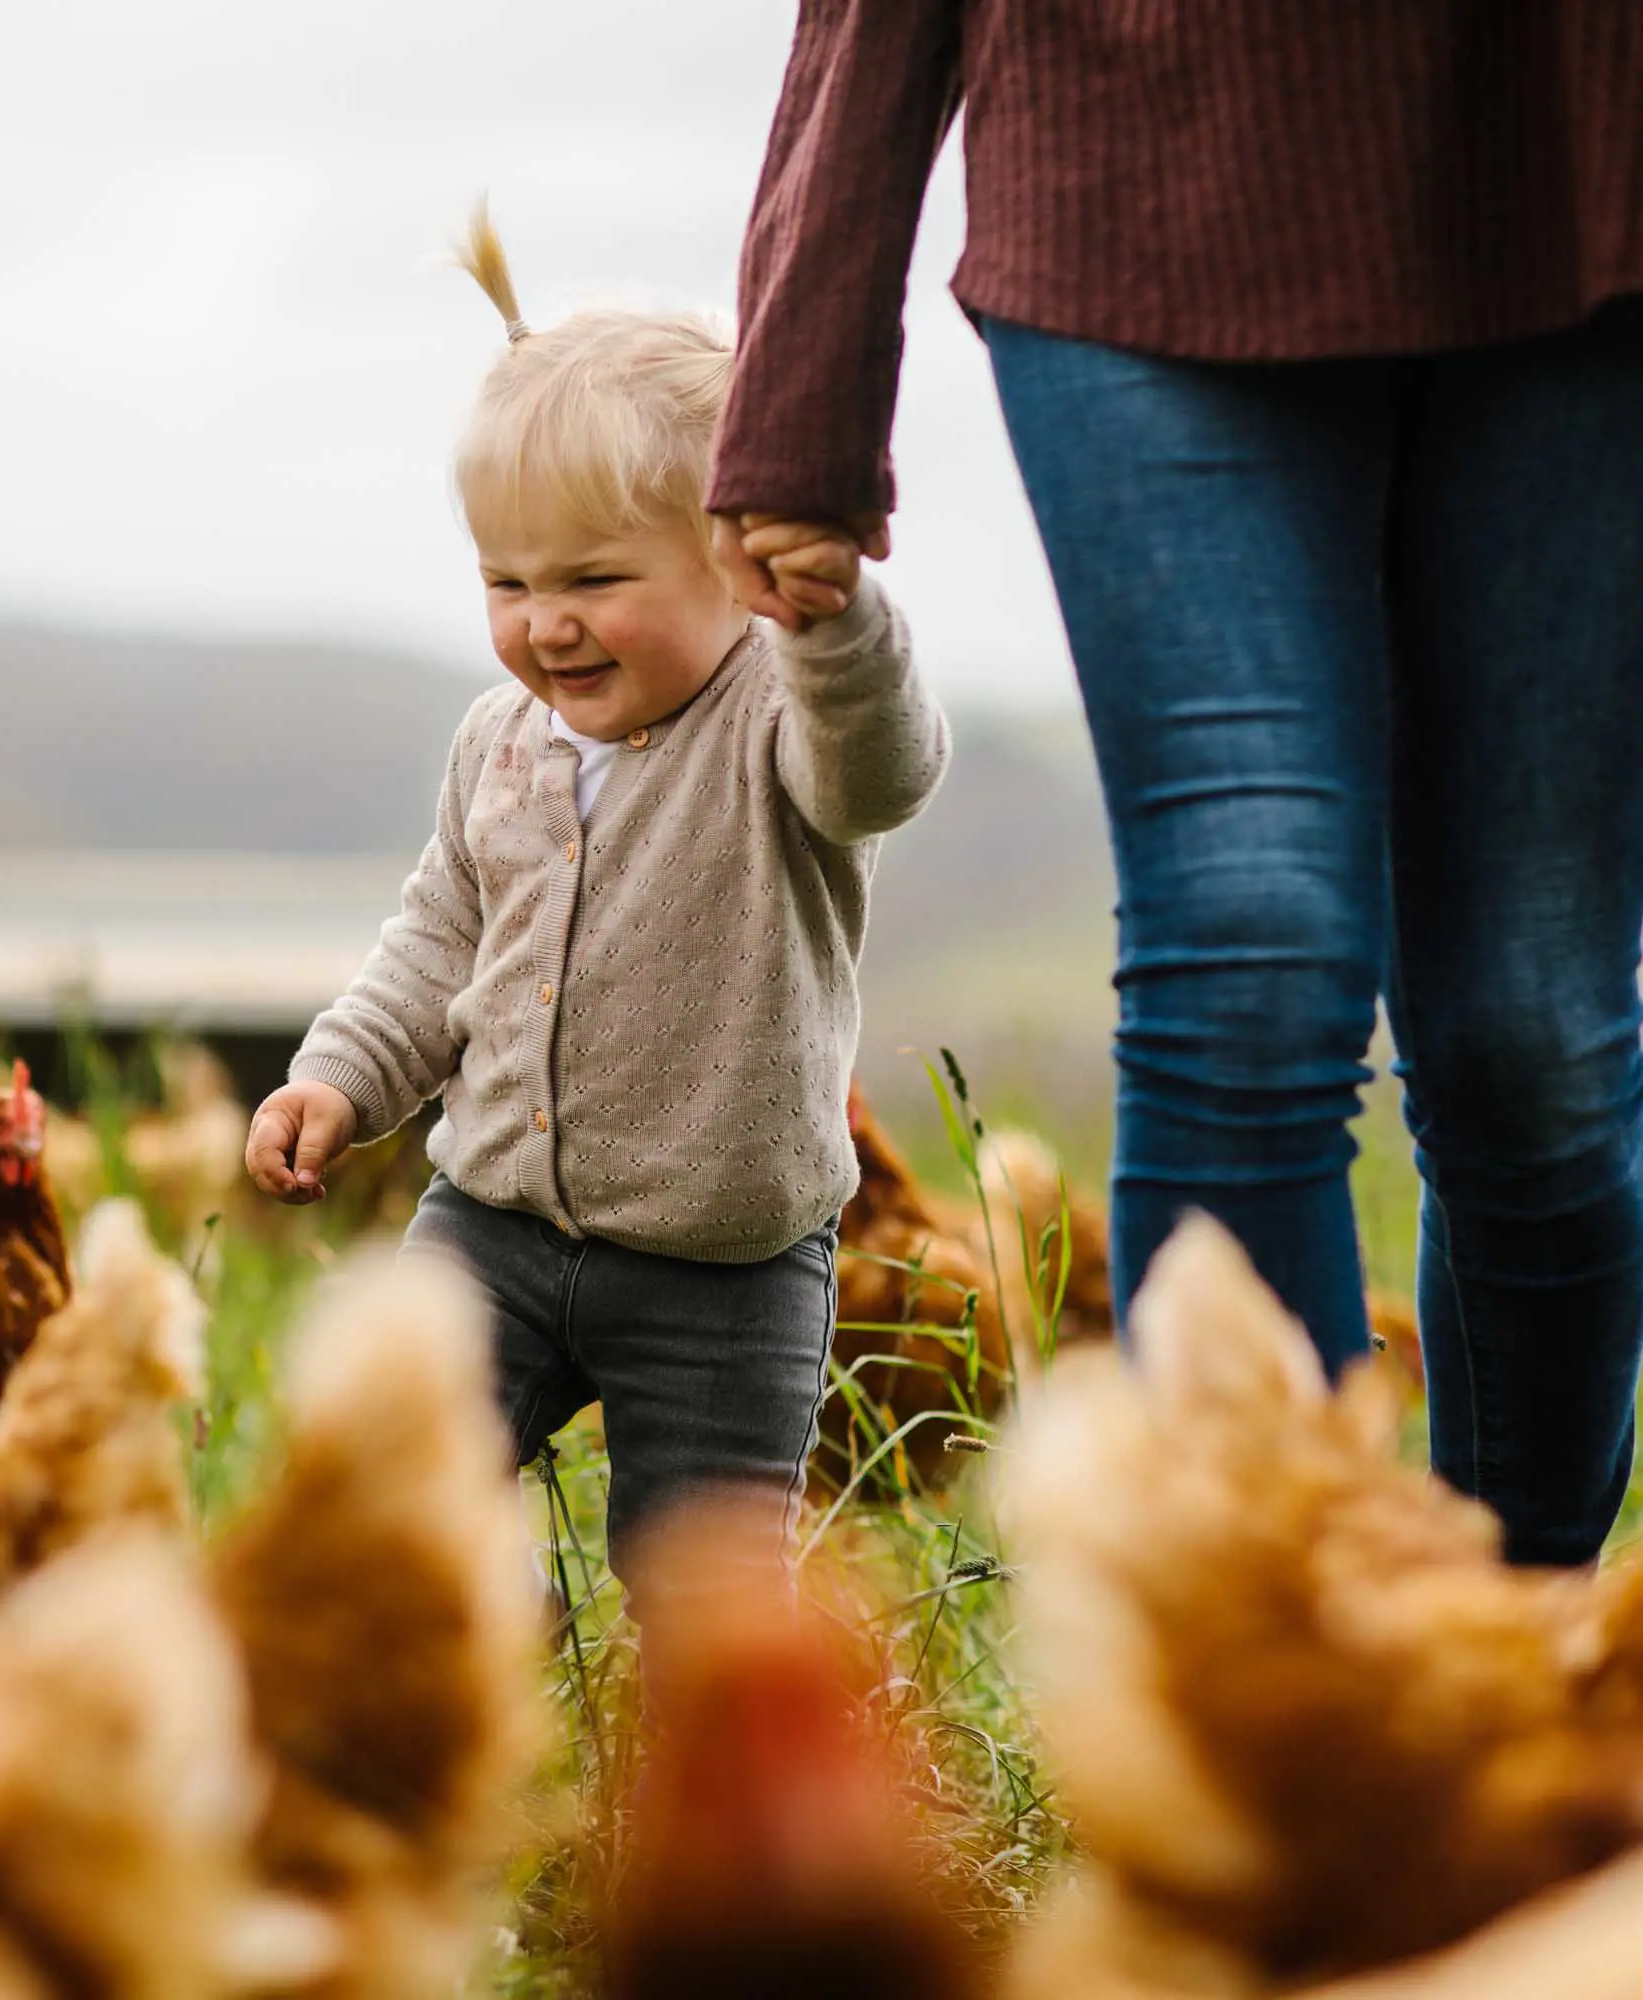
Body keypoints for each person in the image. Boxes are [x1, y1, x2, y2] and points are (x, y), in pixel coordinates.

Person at [704, 6, 1643, 1564]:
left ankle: (1513, 1673)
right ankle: (1292, 1695)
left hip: (1580, 174)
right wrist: (806, 357)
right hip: (1143, 169)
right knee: (1252, 953)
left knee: (1530, 1038)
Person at [244, 210, 949, 1561]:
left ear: (733, 571)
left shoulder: (776, 724)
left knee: (710, 1601)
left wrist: (837, 624)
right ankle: (434, 1703)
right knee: (378, 1514)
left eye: (594, 579)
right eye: (504, 581)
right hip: (490, 1230)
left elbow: (882, 773)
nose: (542, 622)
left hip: (724, 1272)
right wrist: (338, 1078)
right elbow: (436, 943)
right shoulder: (495, 742)